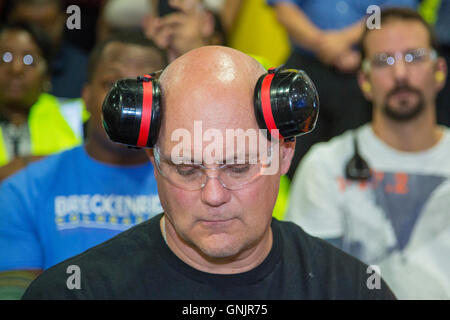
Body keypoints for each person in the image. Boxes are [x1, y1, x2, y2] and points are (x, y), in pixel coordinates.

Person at [22, 45, 395, 300]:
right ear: (154, 162)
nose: (213, 195)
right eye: (187, 169)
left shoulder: (350, 290)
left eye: (238, 167)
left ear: (284, 155)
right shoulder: (75, 293)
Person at [285, 8, 450, 299]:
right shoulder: (325, 168)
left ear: (439, 72)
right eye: (384, 61)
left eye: (413, 57)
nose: (400, 73)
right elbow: (309, 285)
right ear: (365, 80)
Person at [0, 32, 165, 299]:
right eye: (112, 82)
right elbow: (14, 293)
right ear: (86, 96)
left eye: (144, 87)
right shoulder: (24, 190)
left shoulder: (198, 188)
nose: (128, 98)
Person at [267, 0, 419, 179]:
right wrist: (324, 45)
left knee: (356, 160)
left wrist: (343, 41)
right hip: (304, 67)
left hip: (363, 70)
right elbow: (284, 9)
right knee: (290, 158)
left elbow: (392, 13)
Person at [0, 21, 85, 180]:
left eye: (29, 60)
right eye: (5, 57)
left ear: (46, 75)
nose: (16, 68)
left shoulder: (75, 116)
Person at [8, 0, 89, 98]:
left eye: (44, 27)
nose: (36, 36)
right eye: (27, 27)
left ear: (62, 20)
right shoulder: (9, 69)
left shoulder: (84, 69)